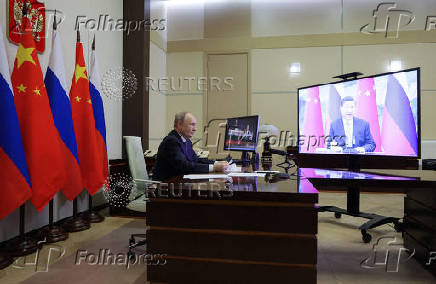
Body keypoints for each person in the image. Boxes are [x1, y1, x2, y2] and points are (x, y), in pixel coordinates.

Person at [152, 112, 228, 181]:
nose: (195, 129)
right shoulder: (171, 141)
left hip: (180, 184)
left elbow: (195, 160)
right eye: (192, 124)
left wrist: (216, 163)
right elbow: (183, 166)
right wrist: (214, 168)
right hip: (165, 186)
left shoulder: (187, 141)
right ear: (180, 124)